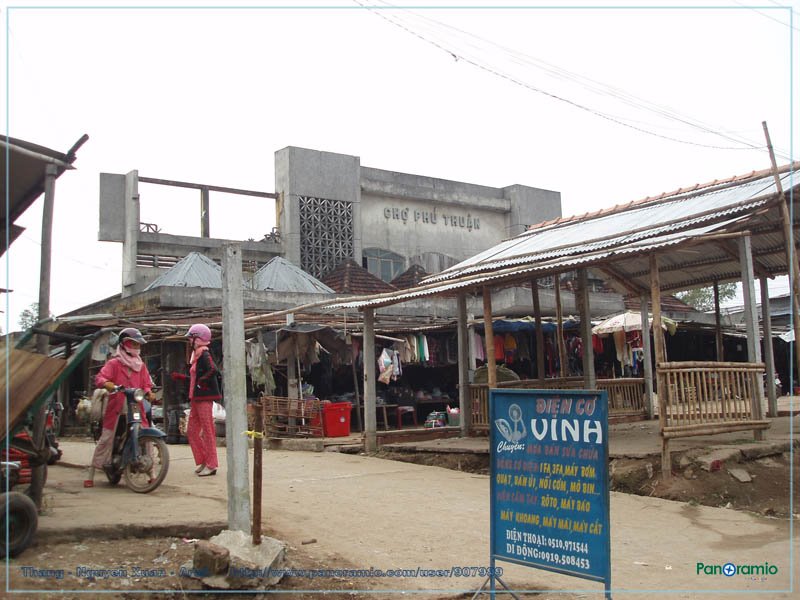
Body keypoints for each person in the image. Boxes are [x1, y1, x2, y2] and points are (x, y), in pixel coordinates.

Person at [85, 327, 155, 488]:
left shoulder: (141, 365)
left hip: (135, 406)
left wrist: (149, 392)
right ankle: (92, 473)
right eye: (133, 343)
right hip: (117, 406)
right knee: (107, 438)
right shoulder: (114, 363)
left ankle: (151, 472)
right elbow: (100, 377)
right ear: (124, 344)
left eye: (138, 344)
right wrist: (107, 384)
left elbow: (146, 384)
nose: (136, 347)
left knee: (146, 432)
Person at [171, 323, 220, 476]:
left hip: (204, 398)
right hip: (196, 398)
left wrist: (202, 381)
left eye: (191, 338)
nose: (189, 341)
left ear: (197, 339)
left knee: (207, 431)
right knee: (191, 431)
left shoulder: (204, 354)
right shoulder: (197, 356)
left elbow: (213, 369)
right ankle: (203, 460)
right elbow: (196, 377)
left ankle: (211, 465)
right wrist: (183, 378)